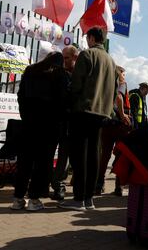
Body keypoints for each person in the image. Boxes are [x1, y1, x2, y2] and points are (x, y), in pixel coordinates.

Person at [59, 27, 117, 211]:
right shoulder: (111, 61)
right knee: (94, 154)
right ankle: (89, 199)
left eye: (87, 38)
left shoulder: (87, 55)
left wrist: (69, 102)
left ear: (91, 38)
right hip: (102, 113)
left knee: (79, 155)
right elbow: (114, 91)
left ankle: (78, 199)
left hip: (84, 110)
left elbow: (76, 84)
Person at [11, 52, 67, 211]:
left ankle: (18, 198)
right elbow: (62, 101)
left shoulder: (29, 71)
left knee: (24, 162)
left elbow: (20, 96)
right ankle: (34, 199)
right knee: (42, 163)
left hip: (28, 124)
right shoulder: (59, 74)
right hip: (49, 126)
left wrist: (26, 115)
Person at [96, 65, 132, 196]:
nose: (124, 76)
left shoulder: (106, 84)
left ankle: (99, 185)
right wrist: (123, 115)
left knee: (104, 155)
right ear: (120, 73)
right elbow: (119, 97)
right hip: (119, 126)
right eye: (123, 73)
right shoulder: (121, 83)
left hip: (107, 123)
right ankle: (118, 187)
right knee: (120, 155)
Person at [49, 45, 79, 201]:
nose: (63, 60)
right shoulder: (56, 73)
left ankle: (59, 185)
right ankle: (46, 183)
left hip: (69, 122)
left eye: (66, 58)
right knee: (48, 154)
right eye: (63, 57)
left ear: (74, 58)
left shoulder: (79, 75)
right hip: (54, 120)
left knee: (64, 156)